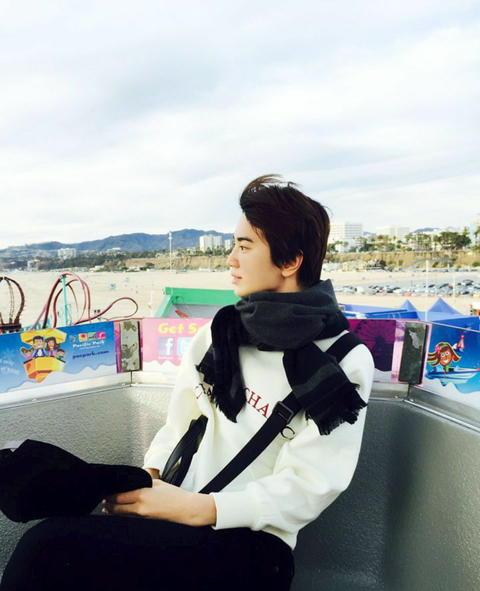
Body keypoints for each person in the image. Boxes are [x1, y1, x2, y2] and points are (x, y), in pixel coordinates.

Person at [0, 175, 374, 591]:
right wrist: (146, 481)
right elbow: (179, 426)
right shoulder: (221, 333)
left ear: (290, 262)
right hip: (176, 512)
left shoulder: (343, 359)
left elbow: (310, 485)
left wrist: (200, 509)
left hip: (254, 543)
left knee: (48, 549)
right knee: (50, 541)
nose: (231, 259)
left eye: (245, 246)